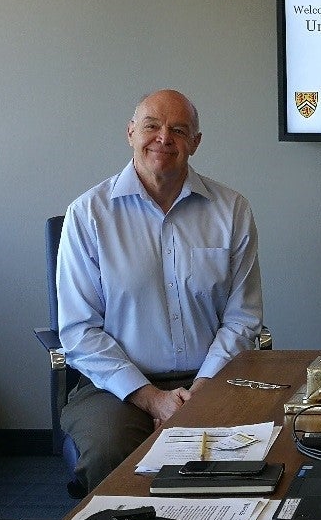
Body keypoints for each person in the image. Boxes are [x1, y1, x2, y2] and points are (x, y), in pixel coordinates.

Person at [57, 89, 264, 491]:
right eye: (152, 125)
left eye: (179, 130)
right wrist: (152, 399)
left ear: (196, 143)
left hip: (213, 377)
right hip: (116, 388)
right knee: (107, 449)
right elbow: (80, 330)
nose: (164, 138)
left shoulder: (231, 210)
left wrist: (201, 391)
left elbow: (243, 316)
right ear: (131, 132)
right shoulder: (88, 215)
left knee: (257, 446)